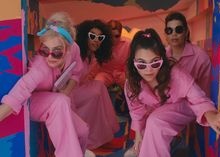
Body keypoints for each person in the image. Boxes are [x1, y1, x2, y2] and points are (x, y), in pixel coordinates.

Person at [124, 28, 220, 157]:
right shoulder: (131, 83)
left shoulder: (176, 74)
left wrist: (211, 116)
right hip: (156, 113)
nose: (148, 70)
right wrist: (137, 136)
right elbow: (136, 111)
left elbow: (198, 98)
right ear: (133, 63)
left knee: (155, 121)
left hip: (184, 107)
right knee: (147, 130)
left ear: (162, 60)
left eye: (155, 63)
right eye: (141, 64)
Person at [0, 12, 91, 157]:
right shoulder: (40, 67)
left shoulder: (75, 50)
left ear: (68, 49)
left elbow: (76, 73)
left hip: (56, 101)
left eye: (56, 53)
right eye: (44, 50)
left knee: (82, 131)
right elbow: (20, 91)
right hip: (31, 102)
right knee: (60, 101)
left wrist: (66, 91)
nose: (49, 57)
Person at [164, 11, 212, 155]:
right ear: (165, 33)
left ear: (186, 32)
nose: (174, 34)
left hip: (192, 106)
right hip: (167, 103)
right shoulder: (163, 55)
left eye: (178, 30)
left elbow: (205, 91)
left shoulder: (200, 56)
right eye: (169, 30)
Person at [72, 19, 119, 149]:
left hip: (78, 89)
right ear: (83, 36)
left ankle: (101, 131)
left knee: (99, 87)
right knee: (95, 90)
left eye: (100, 37)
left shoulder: (91, 56)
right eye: (92, 36)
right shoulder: (75, 52)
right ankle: (86, 137)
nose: (96, 40)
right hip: (69, 93)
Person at [94, 20, 131, 89]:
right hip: (105, 73)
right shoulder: (100, 43)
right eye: (110, 36)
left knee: (131, 85)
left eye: (116, 36)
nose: (113, 39)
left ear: (120, 34)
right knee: (97, 85)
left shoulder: (128, 44)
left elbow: (131, 63)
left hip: (122, 74)